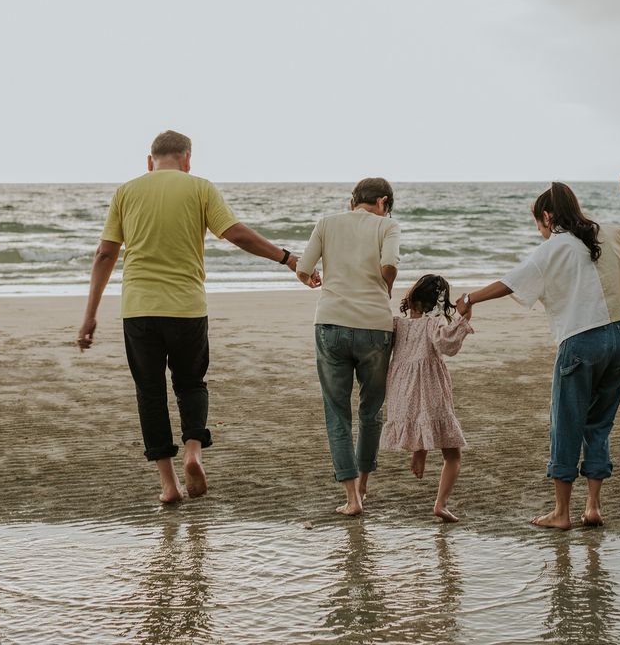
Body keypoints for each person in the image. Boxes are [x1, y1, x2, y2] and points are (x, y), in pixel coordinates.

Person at [77, 130, 300, 505]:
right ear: (188, 159)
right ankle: (193, 450)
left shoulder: (126, 192)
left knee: (150, 393)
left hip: (139, 310)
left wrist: (89, 316)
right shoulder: (200, 188)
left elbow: (104, 254)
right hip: (187, 308)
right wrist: (286, 258)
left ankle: (168, 484)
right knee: (191, 383)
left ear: (149, 162)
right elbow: (236, 234)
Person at [457, 183, 620, 529]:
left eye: (538, 223)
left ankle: (561, 513)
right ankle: (593, 507)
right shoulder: (606, 232)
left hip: (581, 341)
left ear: (547, 217)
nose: (540, 231)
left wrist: (469, 299)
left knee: (566, 425)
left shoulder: (553, 248)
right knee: (599, 424)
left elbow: (510, 283)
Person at [296, 177, 400, 516]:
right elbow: (389, 266)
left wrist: (312, 279)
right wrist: (385, 287)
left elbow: (303, 268)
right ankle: (365, 485)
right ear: (384, 201)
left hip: (331, 324)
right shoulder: (387, 226)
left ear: (351, 200)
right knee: (371, 411)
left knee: (336, 412)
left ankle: (352, 498)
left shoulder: (327, 223)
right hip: (374, 327)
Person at [380, 274, 473, 523]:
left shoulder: (396, 324)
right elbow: (447, 345)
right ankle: (440, 504)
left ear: (411, 298)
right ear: (438, 303)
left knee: (418, 420)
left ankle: (419, 448)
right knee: (453, 454)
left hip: (402, 390)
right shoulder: (433, 324)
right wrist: (465, 317)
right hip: (429, 389)